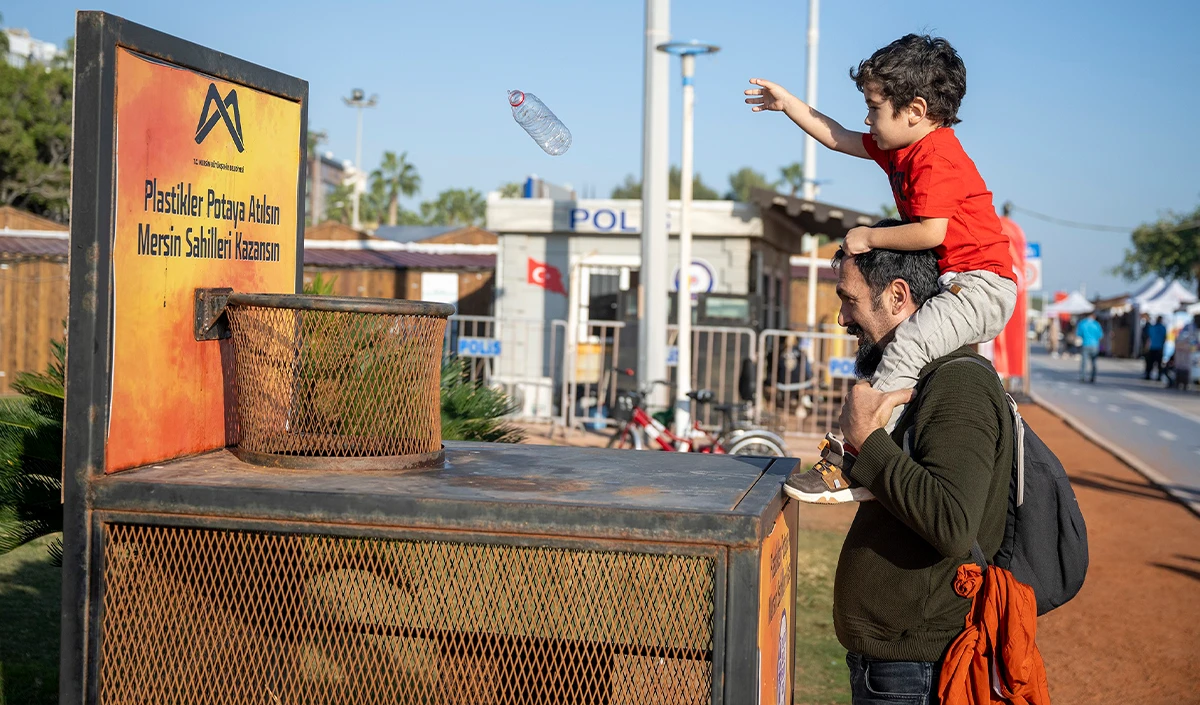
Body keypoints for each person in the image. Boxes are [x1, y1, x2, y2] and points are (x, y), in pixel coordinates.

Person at [747, 34, 1017, 504]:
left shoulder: (936, 157)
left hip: (981, 287)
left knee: (906, 346)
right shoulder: (902, 148)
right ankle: (900, 445)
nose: (867, 119)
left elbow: (931, 232)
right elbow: (837, 137)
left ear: (915, 110)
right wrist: (789, 105)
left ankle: (856, 459)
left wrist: (870, 237)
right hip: (957, 282)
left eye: (874, 108)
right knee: (906, 353)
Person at [813, 246, 1015, 704]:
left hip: (918, 671)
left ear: (898, 296)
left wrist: (867, 437)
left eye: (850, 300)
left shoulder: (958, 383)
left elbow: (952, 522)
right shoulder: (923, 378)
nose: (843, 318)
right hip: (897, 665)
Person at [1076, 312, 1103, 383]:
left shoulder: (1082, 323)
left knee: (1084, 362)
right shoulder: (1096, 324)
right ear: (1093, 316)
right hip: (1095, 345)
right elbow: (1100, 335)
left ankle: (1082, 377)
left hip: (1085, 344)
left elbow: (1079, 334)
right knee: (1094, 362)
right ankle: (1093, 377)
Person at [1145, 316, 1168, 380]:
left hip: (1152, 347)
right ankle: (1159, 376)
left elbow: (1148, 337)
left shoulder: (1152, 327)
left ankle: (1148, 375)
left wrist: (1147, 347)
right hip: (1159, 348)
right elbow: (1164, 338)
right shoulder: (1163, 328)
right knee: (1158, 363)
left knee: (1150, 362)